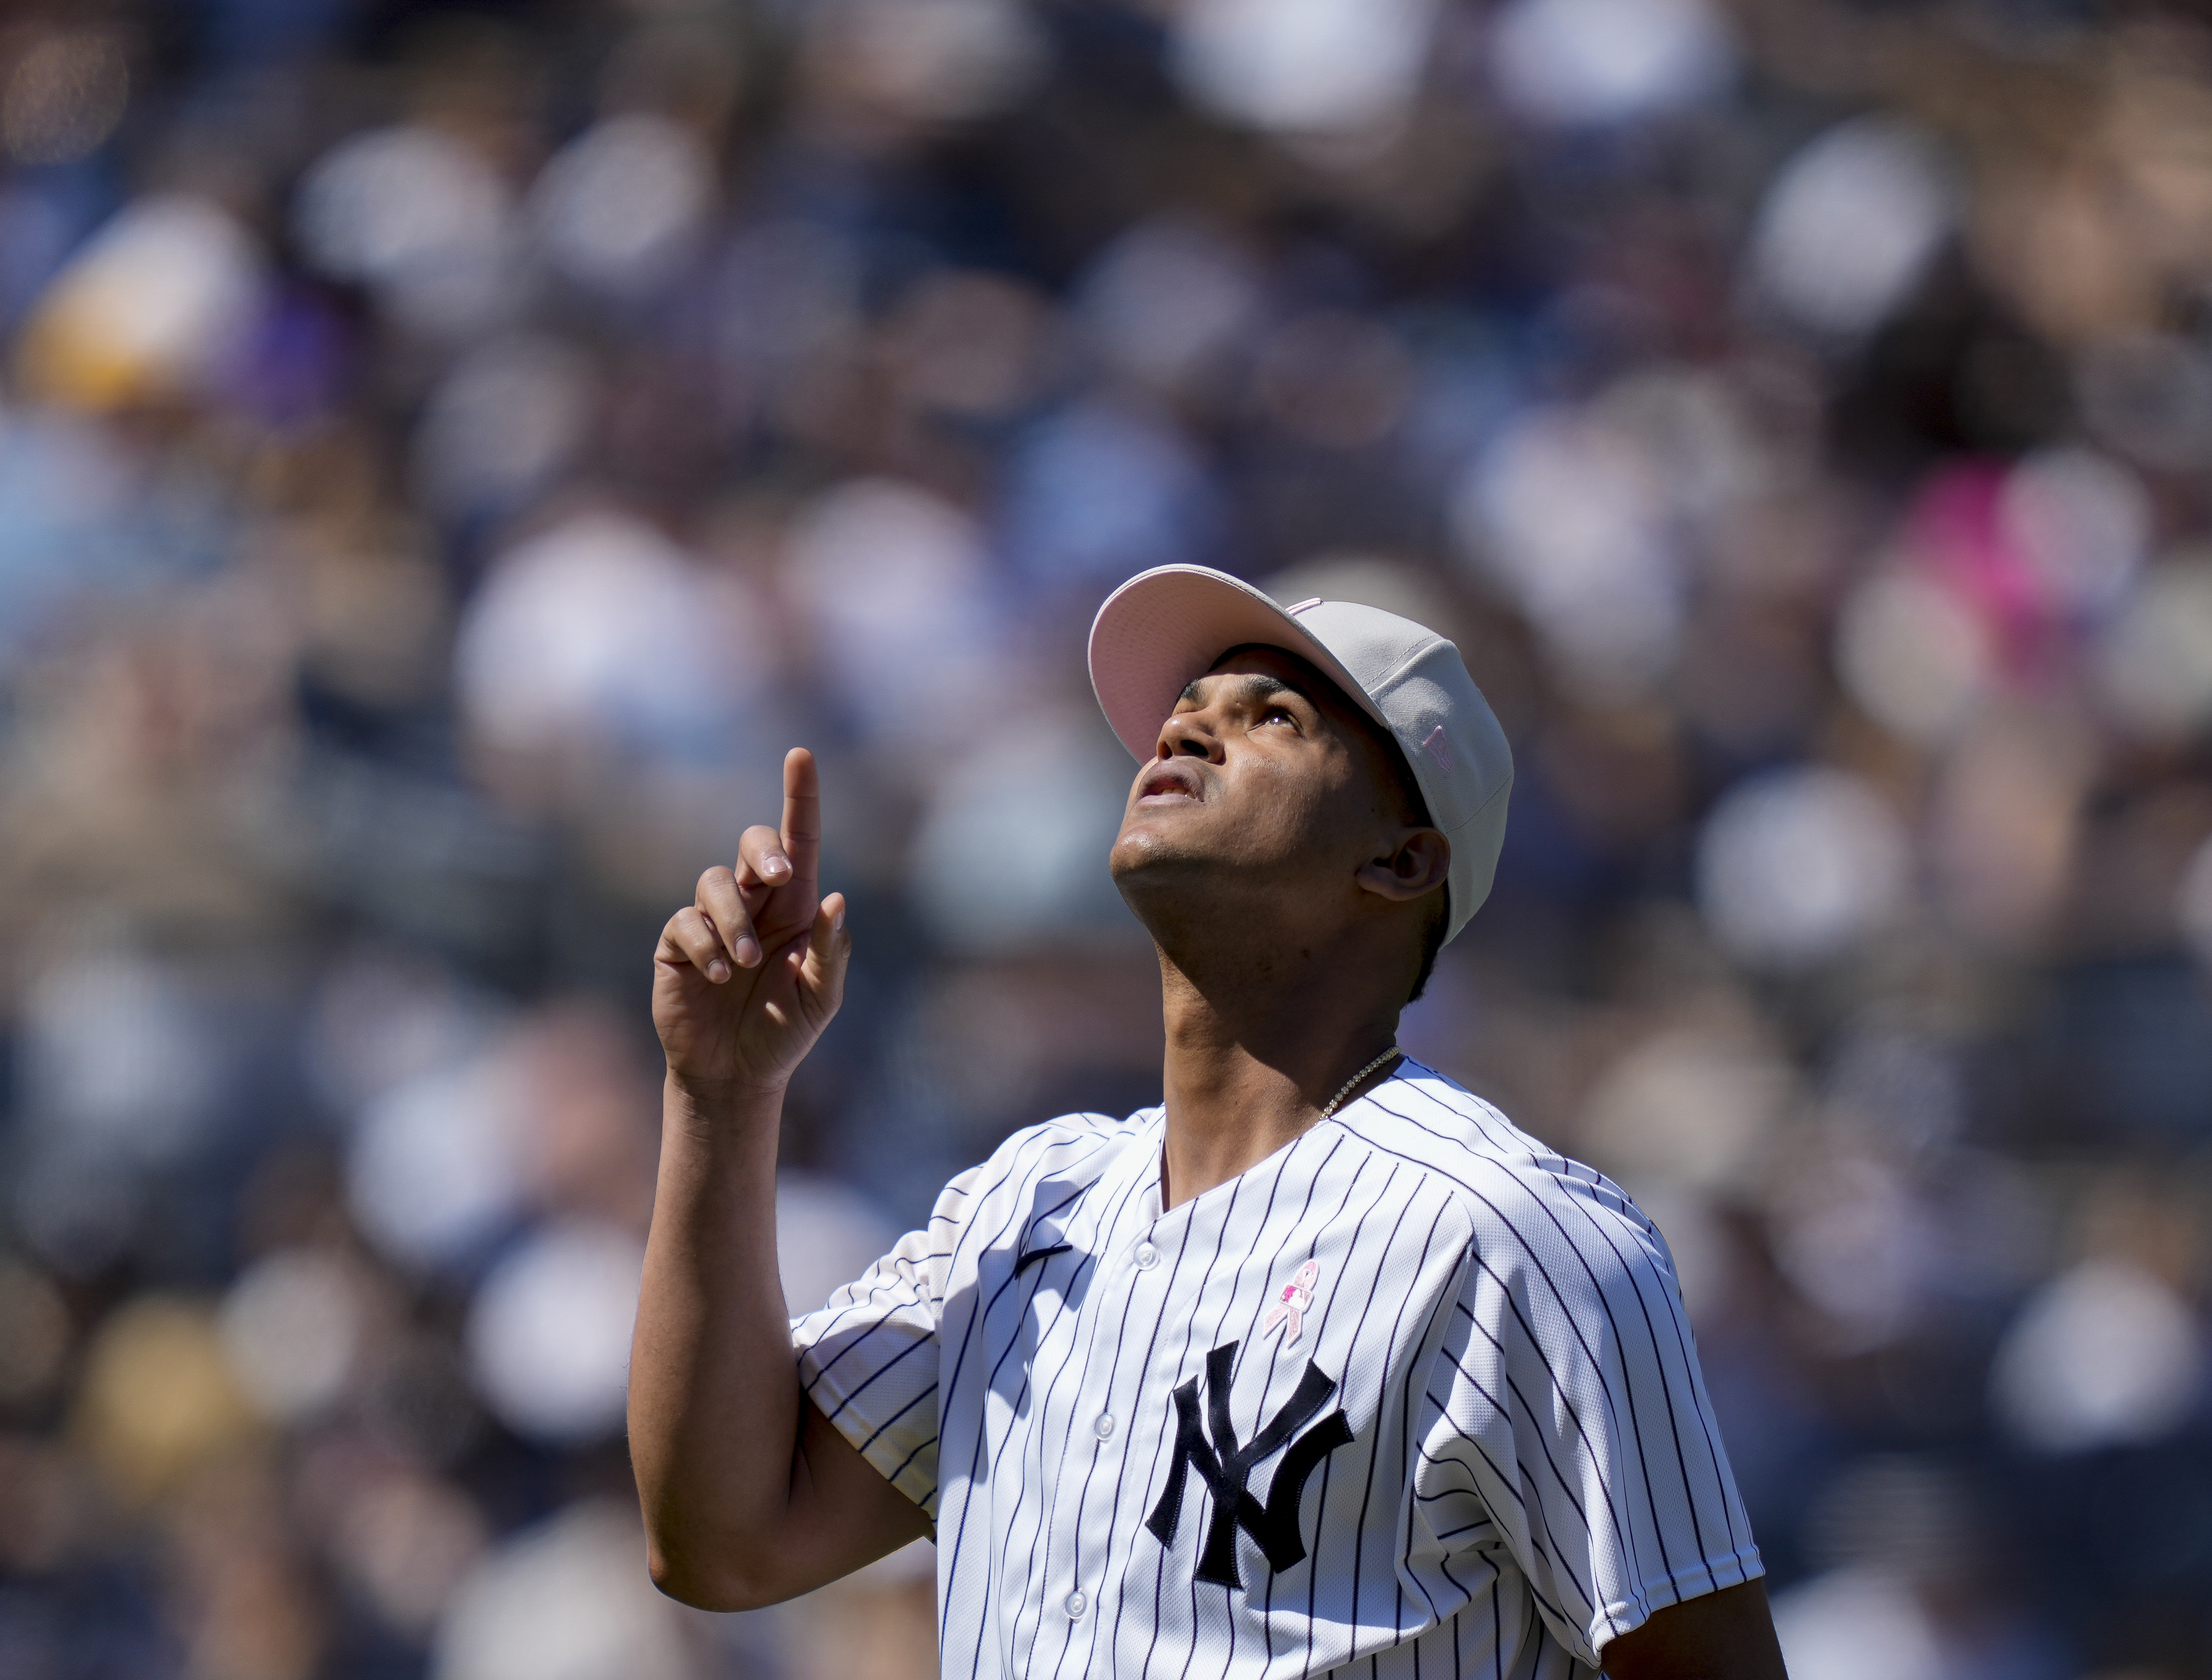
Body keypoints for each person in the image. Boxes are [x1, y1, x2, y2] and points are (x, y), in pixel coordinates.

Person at [629, 565, 1787, 1678]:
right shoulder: (1028, 1194)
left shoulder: (1513, 1233)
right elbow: (725, 1539)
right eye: (1182, 711)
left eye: (1272, 715)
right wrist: (722, 1096)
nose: (1185, 731)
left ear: (1401, 858)